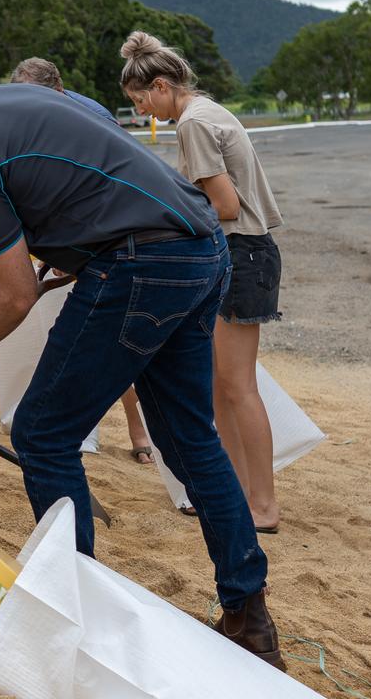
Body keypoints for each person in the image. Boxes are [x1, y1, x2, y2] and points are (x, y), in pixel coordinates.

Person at [0, 63, 285, 669]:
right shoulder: (6, 100)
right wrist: (79, 236)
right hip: (200, 249)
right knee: (191, 441)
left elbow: (13, 293)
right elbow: (97, 144)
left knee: (43, 433)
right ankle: (250, 621)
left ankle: (75, 617)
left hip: (143, 263)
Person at [0, 57, 154, 464]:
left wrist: (68, 253)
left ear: (58, 93)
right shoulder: (10, 114)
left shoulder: (90, 116)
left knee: (116, 324)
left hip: (104, 232)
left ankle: (139, 432)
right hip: (42, 226)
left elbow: (108, 187)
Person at [120, 32, 285, 533]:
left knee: (236, 387)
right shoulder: (206, 111)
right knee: (219, 386)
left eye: (141, 99)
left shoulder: (192, 123)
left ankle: (263, 505)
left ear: (163, 85)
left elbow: (225, 207)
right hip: (246, 251)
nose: (143, 110)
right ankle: (236, 492)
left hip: (240, 252)